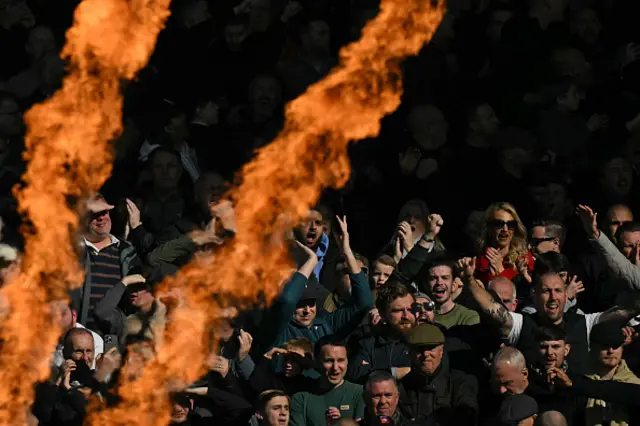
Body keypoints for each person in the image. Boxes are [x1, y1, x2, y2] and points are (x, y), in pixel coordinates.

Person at [265, 216, 373, 351]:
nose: (307, 311)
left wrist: (347, 252)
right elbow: (288, 300)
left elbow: (365, 303)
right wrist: (311, 261)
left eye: (311, 304)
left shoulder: (325, 324)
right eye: (300, 305)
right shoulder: (278, 327)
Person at [73, 193, 142, 332]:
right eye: (93, 214)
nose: (101, 218)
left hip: (115, 340)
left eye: (104, 212)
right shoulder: (72, 251)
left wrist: (137, 228)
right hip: (80, 340)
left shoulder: (126, 251)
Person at [399, 324, 478, 425]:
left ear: (441, 351)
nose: (426, 354)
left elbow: (467, 417)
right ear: (410, 353)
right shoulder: (402, 386)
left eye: (431, 348)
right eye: (420, 349)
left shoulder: (460, 382)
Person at [348, 282, 415, 384]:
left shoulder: (426, 340)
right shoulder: (369, 345)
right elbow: (357, 375)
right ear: (382, 314)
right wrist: (394, 373)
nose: (406, 315)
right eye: (398, 310)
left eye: (410, 309)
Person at [290, 335, 364, 426]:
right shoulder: (301, 398)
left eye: (340, 360)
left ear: (347, 361)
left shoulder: (360, 394)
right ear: (317, 362)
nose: (335, 367)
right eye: (329, 361)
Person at [584, 321, 640, 425]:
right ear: (593, 347)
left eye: (615, 346)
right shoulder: (582, 381)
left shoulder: (634, 383)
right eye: (605, 346)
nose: (611, 351)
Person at [474, 202, 534, 284]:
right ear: (488, 227)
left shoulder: (524, 258)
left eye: (511, 224)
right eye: (499, 224)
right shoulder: (477, 261)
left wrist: (501, 271)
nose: (505, 229)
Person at [425, 259, 480, 328]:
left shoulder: (467, 316)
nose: (439, 283)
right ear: (426, 285)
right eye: (433, 278)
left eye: (445, 278)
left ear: (453, 286)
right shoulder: (421, 316)